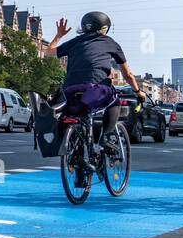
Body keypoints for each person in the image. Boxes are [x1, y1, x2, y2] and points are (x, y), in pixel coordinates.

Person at [45, 11, 141, 146]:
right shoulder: (110, 43)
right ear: (104, 28)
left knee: (76, 111)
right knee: (115, 101)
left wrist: (59, 35)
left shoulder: (75, 42)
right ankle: (106, 137)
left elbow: (49, 53)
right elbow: (127, 75)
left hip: (70, 89)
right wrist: (138, 92)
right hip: (96, 88)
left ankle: (73, 148)